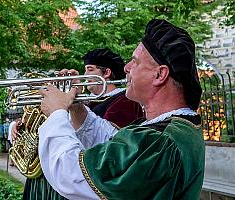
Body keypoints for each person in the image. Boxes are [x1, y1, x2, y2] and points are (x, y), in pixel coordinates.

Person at [38, 19, 205, 199]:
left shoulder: (159, 142)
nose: (126, 68)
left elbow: (71, 175)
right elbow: (111, 142)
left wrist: (57, 113)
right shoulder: (171, 129)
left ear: (159, 75)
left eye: (135, 62)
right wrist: (76, 107)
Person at [22, 48, 144, 200]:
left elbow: (105, 145)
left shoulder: (123, 102)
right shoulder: (91, 100)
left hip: (80, 178)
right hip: (62, 174)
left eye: (89, 69)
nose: (84, 75)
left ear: (106, 73)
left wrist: (58, 113)